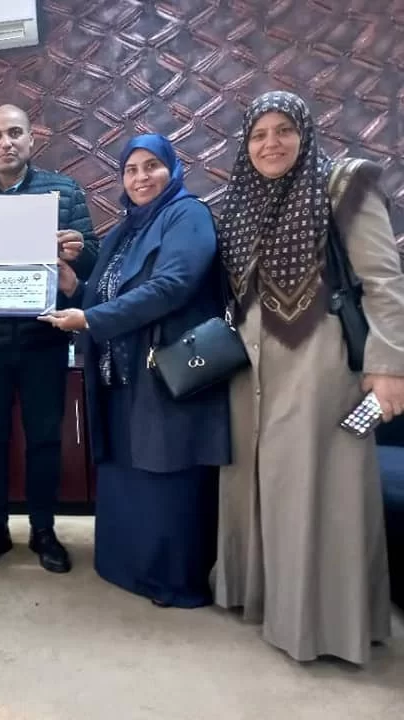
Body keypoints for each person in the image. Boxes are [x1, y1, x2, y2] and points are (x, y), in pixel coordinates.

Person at [214, 90, 402, 664]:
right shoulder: (242, 202)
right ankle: (264, 600)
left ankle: (325, 627)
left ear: (305, 133)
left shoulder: (344, 187)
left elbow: (384, 283)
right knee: (259, 484)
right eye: (258, 134)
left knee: (324, 488)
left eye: (283, 130)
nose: (270, 144)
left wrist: (389, 369)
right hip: (249, 368)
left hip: (320, 363)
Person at [40, 134, 230, 608]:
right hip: (121, 375)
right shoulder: (125, 229)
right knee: (128, 470)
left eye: (151, 166)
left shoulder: (188, 215)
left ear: (172, 169)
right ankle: (127, 568)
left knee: (167, 472)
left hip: (166, 372)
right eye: (130, 169)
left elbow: (172, 285)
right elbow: (107, 293)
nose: (141, 177)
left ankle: (172, 581)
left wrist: (90, 319)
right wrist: (75, 288)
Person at [0, 104, 99, 574]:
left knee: (45, 438)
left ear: (31, 138)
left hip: (43, 338)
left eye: (14, 133)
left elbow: (94, 258)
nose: (6, 142)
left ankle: (44, 530)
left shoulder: (64, 193)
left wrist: (78, 252)